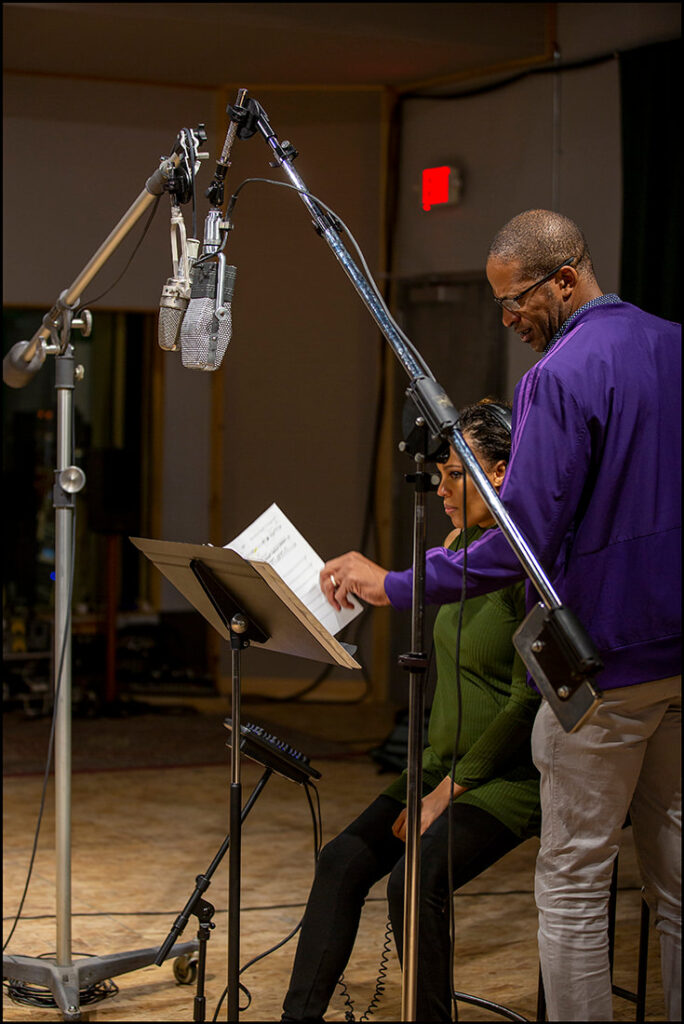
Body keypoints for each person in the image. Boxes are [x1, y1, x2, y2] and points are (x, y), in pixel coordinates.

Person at [320, 210, 681, 1022]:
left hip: (609, 668)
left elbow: (517, 544)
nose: (509, 319)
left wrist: (397, 584)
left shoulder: (558, 376)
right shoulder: (675, 345)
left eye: (516, 300)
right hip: (678, 661)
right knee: (677, 881)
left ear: (564, 278)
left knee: (576, 887)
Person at [282, 401, 541, 1023]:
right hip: (439, 768)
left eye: (458, 475)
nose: (443, 489)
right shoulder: (455, 550)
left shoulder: (520, 560)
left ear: (501, 473)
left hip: (502, 778)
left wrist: (449, 789)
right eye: (442, 474)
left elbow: (528, 698)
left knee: (414, 882)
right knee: (342, 861)